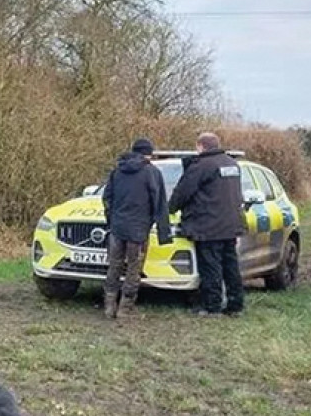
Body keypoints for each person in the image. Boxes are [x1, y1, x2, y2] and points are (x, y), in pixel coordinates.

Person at [169, 132, 245, 316]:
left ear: (201, 146)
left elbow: (183, 192)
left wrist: (169, 208)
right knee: (230, 266)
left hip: (208, 225)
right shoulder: (232, 164)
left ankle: (212, 306)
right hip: (230, 225)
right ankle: (235, 305)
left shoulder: (202, 166)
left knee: (211, 267)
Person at [101, 138, 172, 319]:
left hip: (117, 228)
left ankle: (109, 306)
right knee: (134, 268)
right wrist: (163, 231)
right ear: (149, 153)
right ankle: (126, 308)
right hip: (139, 230)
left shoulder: (117, 171)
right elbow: (160, 203)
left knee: (114, 265)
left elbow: (107, 198)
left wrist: (112, 221)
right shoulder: (152, 173)